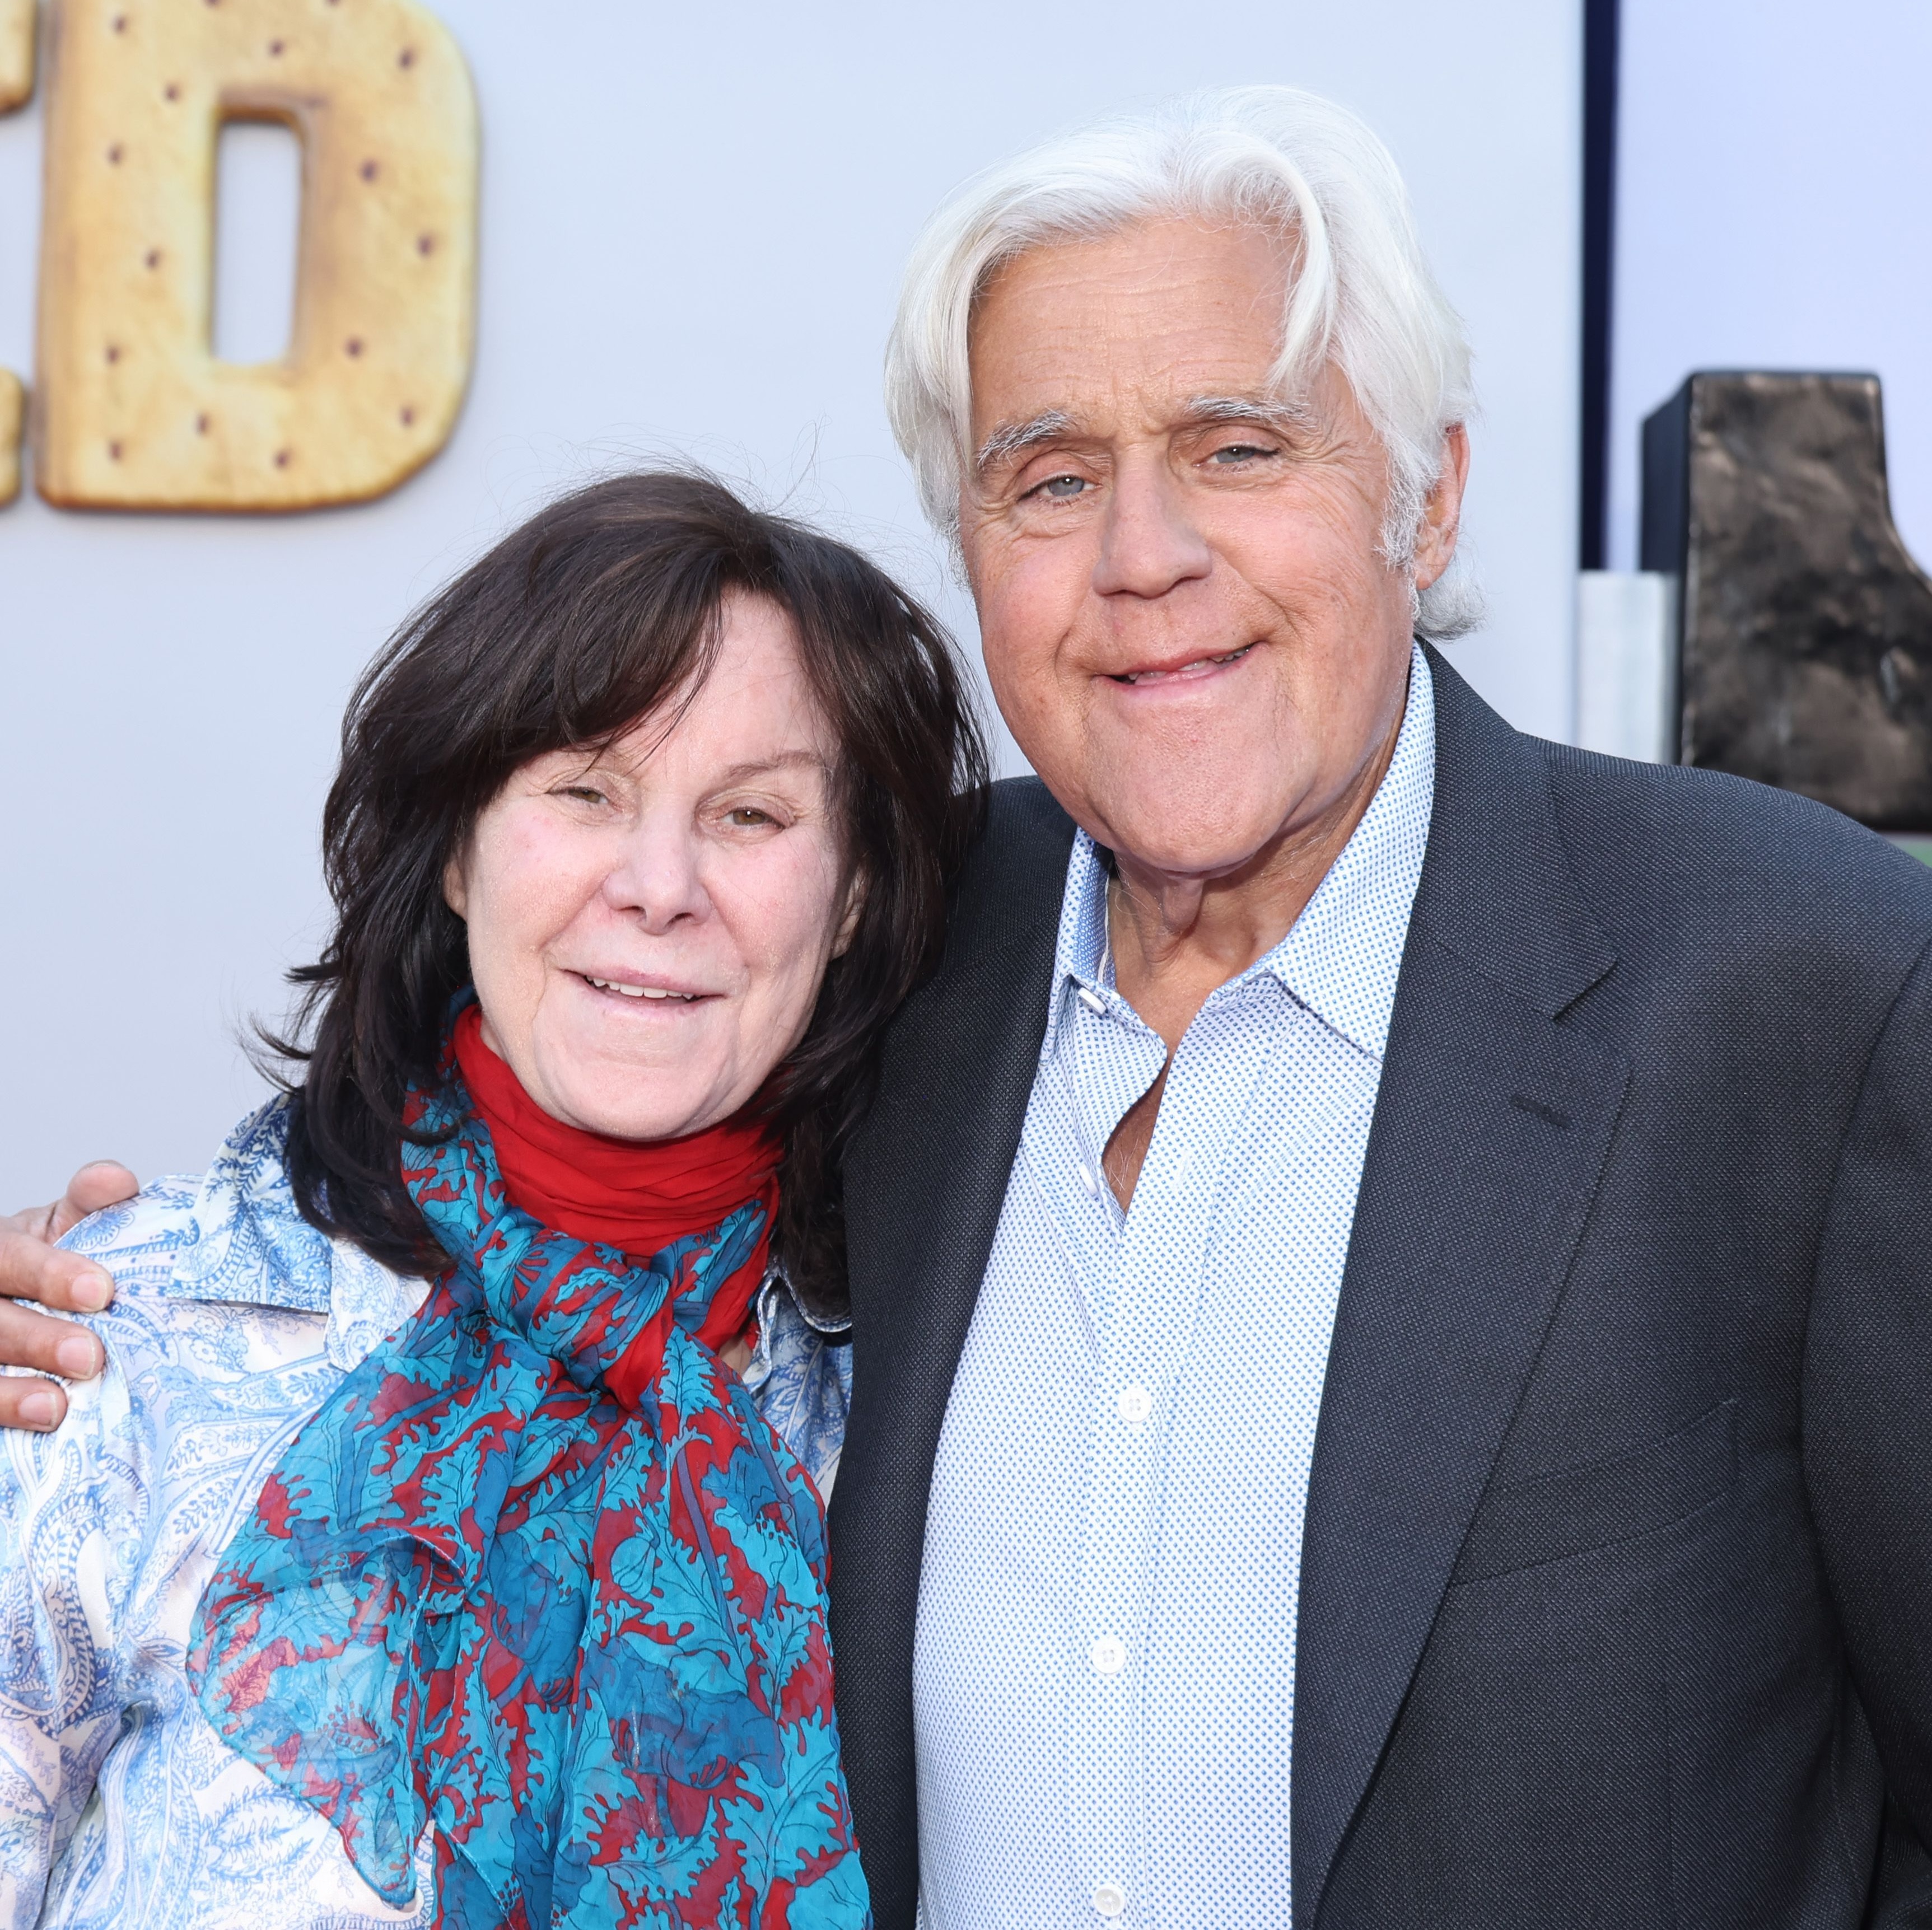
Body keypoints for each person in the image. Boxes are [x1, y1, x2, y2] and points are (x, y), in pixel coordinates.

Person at [10, 83, 1932, 1930]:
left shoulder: (1794, 988)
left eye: (1239, 447)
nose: (1142, 557)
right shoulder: (911, 964)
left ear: (1423, 502)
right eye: (1050, 475)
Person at [0, 470, 984, 1927]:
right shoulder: (122, 1340)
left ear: (848, 900)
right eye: (585, 790)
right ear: (458, 845)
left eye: (750, 815)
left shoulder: (930, 1412)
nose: (659, 886)